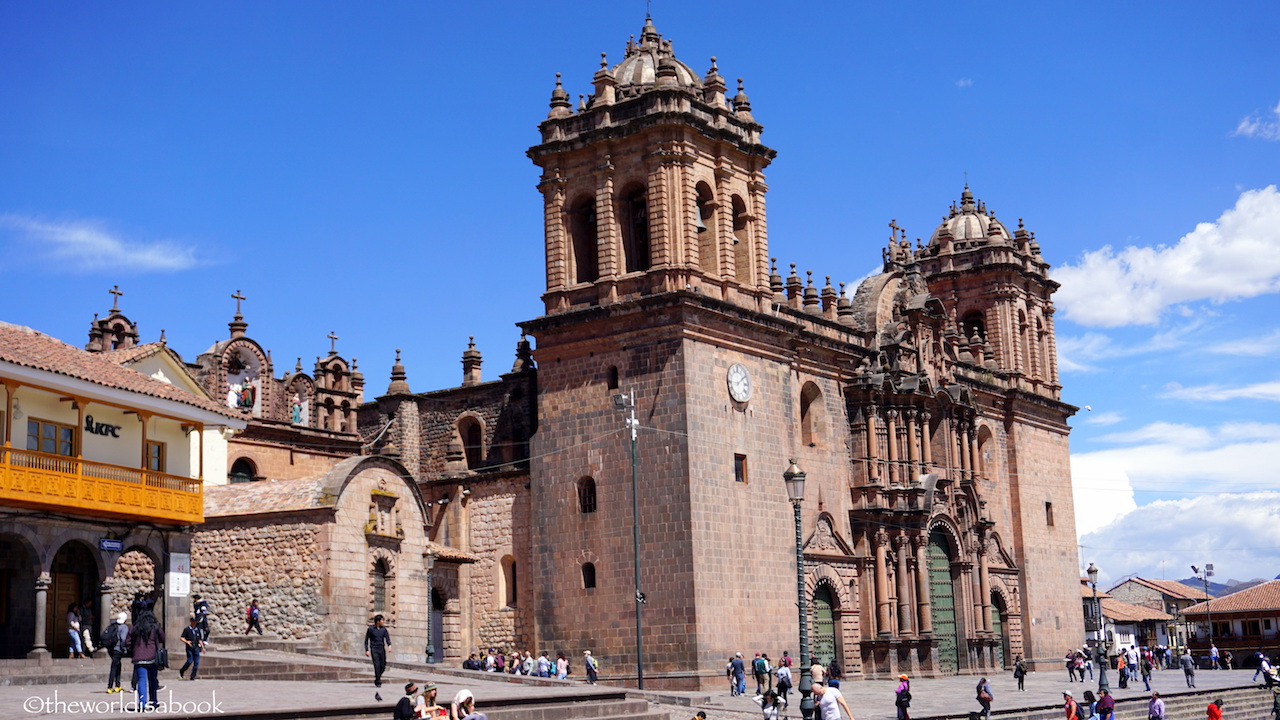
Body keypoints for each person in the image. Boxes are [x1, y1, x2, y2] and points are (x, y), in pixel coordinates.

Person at [127, 609, 165, 710]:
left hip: (139, 658)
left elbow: (127, 642)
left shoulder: (135, 628)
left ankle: (142, 703)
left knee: (142, 680)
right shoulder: (155, 627)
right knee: (153, 680)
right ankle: (153, 701)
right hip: (152, 657)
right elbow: (163, 638)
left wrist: (133, 650)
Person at [102, 612, 130, 693]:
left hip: (111, 648)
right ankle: (110, 686)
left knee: (118, 665)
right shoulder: (124, 627)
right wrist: (125, 649)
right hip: (117, 649)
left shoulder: (113, 625)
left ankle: (118, 685)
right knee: (114, 667)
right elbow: (123, 639)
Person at [364, 614, 391, 687]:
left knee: (383, 665)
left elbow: (387, 638)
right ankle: (378, 681)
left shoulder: (384, 629)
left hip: (381, 648)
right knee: (377, 665)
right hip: (374, 648)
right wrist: (367, 650)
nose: (383, 622)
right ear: (378, 621)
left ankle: (377, 677)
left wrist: (389, 645)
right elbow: (366, 640)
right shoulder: (370, 629)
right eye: (382, 620)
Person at [179, 615, 204, 680]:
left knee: (196, 663)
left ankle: (193, 676)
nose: (194, 623)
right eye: (193, 621)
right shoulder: (187, 629)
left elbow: (199, 639)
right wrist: (187, 642)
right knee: (189, 661)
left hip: (196, 647)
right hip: (189, 647)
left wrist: (203, 647)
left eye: (195, 622)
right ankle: (182, 671)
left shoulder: (197, 630)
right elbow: (181, 637)